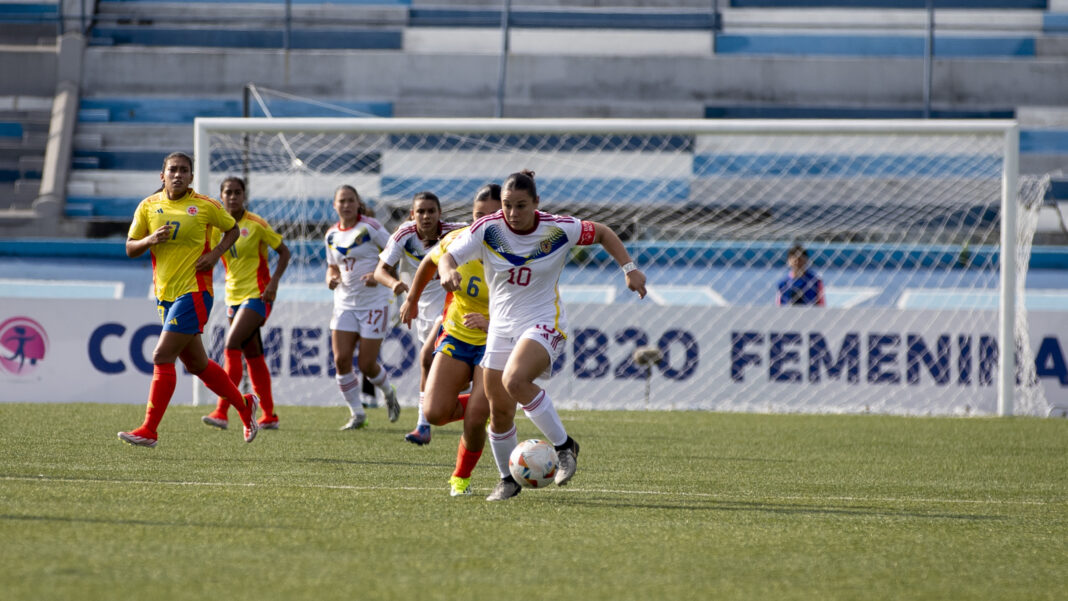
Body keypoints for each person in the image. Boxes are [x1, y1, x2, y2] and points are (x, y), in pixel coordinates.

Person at [439, 170, 647, 501]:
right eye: (507, 205)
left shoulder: (558, 229)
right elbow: (448, 255)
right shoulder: (488, 228)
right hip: (501, 327)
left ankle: (566, 447)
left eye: (521, 206)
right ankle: (508, 479)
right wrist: (448, 269)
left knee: (515, 380)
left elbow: (605, 233)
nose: (512, 213)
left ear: (537, 203)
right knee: (500, 409)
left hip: (542, 322)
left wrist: (629, 268)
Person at [118, 152, 259, 448]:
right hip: (164, 296)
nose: (178, 175)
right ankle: (245, 406)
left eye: (184, 170)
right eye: (173, 170)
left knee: (161, 356)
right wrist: (149, 240)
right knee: (198, 364)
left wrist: (215, 254)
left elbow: (233, 229)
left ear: (192, 177)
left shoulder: (205, 206)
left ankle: (149, 430)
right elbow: (130, 248)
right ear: (162, 175)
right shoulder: (148, 206)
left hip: (195, 292)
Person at [400, 184, 500, 496]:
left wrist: (491, 322)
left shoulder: (517, 252)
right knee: (434, 413)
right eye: (476, 216)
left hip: (497, 340)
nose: (480, 223)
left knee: (474, 420)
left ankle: (460, 479)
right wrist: (413, 300)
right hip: (457, 333)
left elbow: (527, 305)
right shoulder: (458, 240)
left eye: (489, 216)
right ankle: (497, 404)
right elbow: (431, 261)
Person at [373, 191, 465, 446]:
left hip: (451, 309)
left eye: (431, 211)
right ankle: (480, 404)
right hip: (420, 311)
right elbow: (380, 271)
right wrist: (396, 285)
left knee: (426, 358)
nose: (426, 216)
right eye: (420, 211)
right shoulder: (404, 234)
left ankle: (423, 425)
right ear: (412, 214)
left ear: (439, 214)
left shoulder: (455, 232)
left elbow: (484, 228)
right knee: (443, 370)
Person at [201, 176, 291, 431]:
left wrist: (273, 283)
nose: (232, 197)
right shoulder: (218, 227)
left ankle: (222, 411)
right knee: (253, 355)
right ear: (221, 196)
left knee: (231, 344)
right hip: (233, 296)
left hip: (259, 295)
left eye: (237, 192)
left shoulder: (256, 224)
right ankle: (270, 415)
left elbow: (284, 251)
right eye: (228, 192)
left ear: (244, 196)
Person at [326, 184, 400, 430]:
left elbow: (395, 252)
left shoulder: (370, 228)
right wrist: (331, 277)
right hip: (344, 303)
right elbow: (332, 265)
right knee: (340, 360)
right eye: (341, 201)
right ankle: (357, 414)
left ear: (358, 203)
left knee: (367, 364)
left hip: (374, 303)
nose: (346, 205)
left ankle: (388, 393)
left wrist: (378, 274)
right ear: (335, 205)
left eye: (350, 200)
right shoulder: (331, 235)